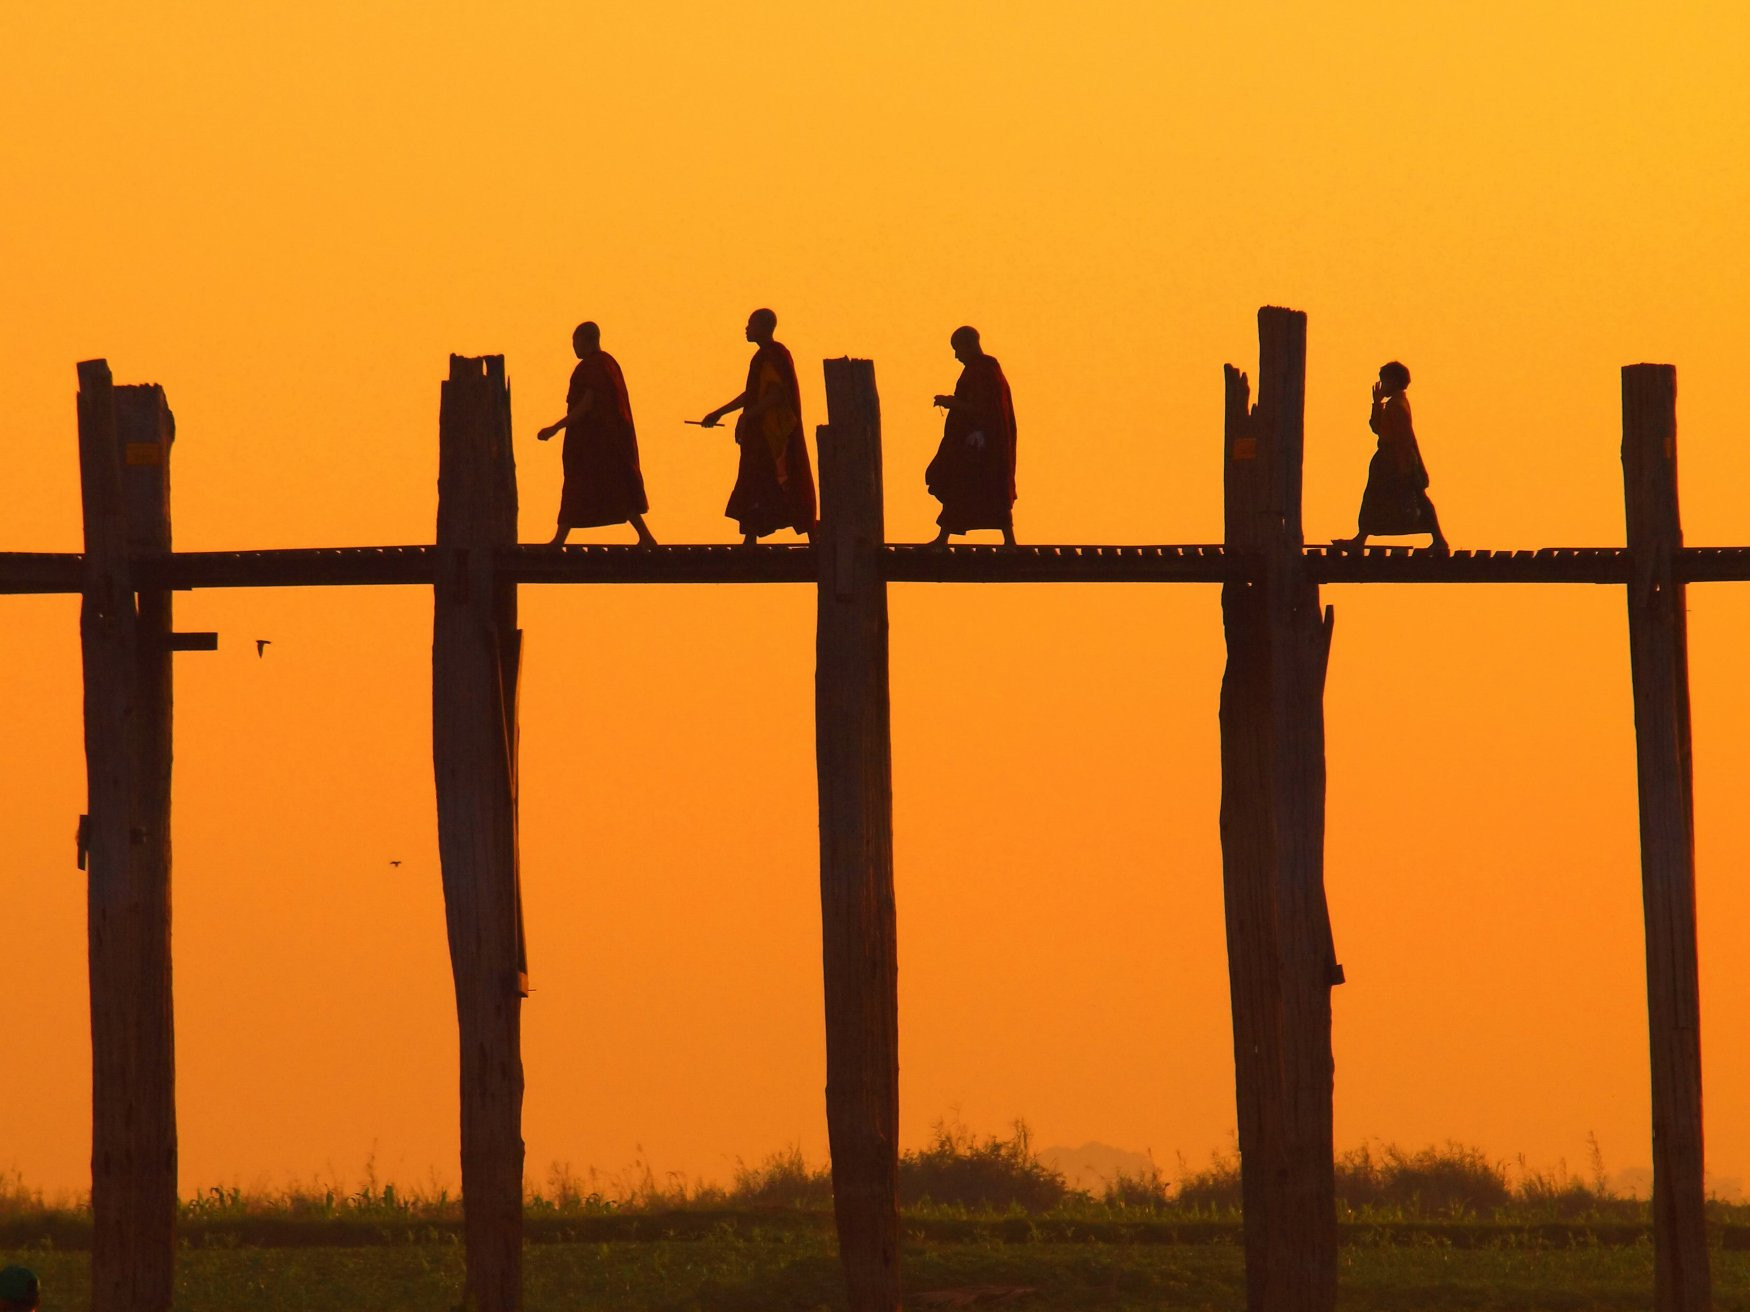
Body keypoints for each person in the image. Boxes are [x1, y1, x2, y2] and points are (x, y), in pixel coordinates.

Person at [698, 308, 817, 543]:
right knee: (757, 481)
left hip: (775, 434)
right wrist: (720, 412)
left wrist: (748, 416)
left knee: (781, 479)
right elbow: (753, 393)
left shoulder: (774, 355)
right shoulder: (764, 357)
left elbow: (776, 395)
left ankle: (812, 535)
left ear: (763, 327)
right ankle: (751, 537)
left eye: (750, 324)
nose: (746, 329)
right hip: (762, 433)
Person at [535, 321, 655, 546]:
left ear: (587, 340)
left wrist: (556, 427)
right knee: (601, 488)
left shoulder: (593, 367)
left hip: (596, 443)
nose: (574, 347)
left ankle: (560, 540)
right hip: (602, 440)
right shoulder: (608, 363)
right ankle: (560, 538)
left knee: (599, 487)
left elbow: (586, 404)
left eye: (575, 342)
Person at [1340, 360, 1448, 553]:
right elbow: (1377, 428)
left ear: (1395, 381)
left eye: (1385, 381)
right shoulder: (1393, 404)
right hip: (1390, 460)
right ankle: (1361, 538)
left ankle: (1439, 540)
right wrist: (1377, 404)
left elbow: (1404, 439)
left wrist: (1406, 467)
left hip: (1395, 460)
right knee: (1376, 498)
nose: (1382, 385)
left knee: (1409, 498)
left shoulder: (1398, 406)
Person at [926, 326, 1018, 546]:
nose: (956, 356)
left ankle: (1008, 540)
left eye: (958, 349)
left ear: (969, 346)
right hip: (975, 443)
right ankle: (944, 537)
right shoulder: (983, 369)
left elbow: (981, 408)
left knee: (973, 486)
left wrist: (951, 402)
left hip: (982, 445)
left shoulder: (983, 371)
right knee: (961, 486)